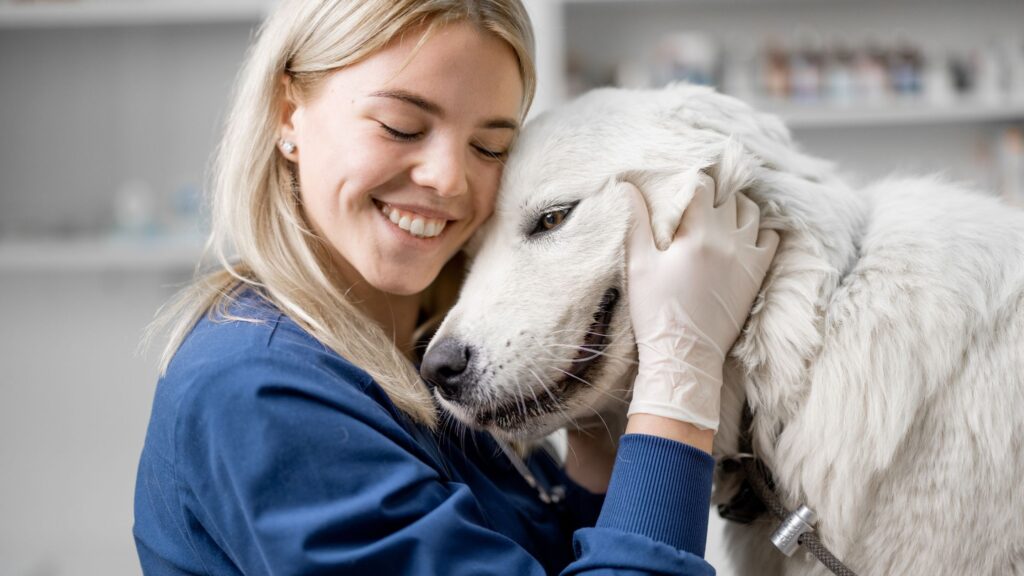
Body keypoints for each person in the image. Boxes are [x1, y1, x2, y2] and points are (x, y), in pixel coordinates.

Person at [133, 0, 779, 574]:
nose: (448, 179)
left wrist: (592, 396)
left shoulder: (413, 357)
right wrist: (679, 373)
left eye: (490, 148)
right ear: (287, 116)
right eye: (401, 127)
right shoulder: (256, 393)